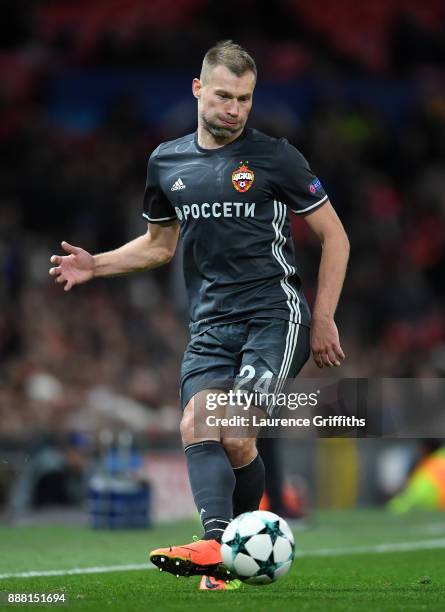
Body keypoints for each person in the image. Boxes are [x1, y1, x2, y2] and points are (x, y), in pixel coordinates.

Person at [49, 40, 349, 590]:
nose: (233, 108)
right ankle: (224, 553)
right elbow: (158, 246)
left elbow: (335, 235)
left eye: (244, 98)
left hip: (273, 316)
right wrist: (98, 265)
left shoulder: (277, 157)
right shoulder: (167, 161)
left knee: (229, 428)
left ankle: (218, 545)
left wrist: (323, 316)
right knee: (203, 428)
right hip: (210, 325)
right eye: (224, 96)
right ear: (197, 89)